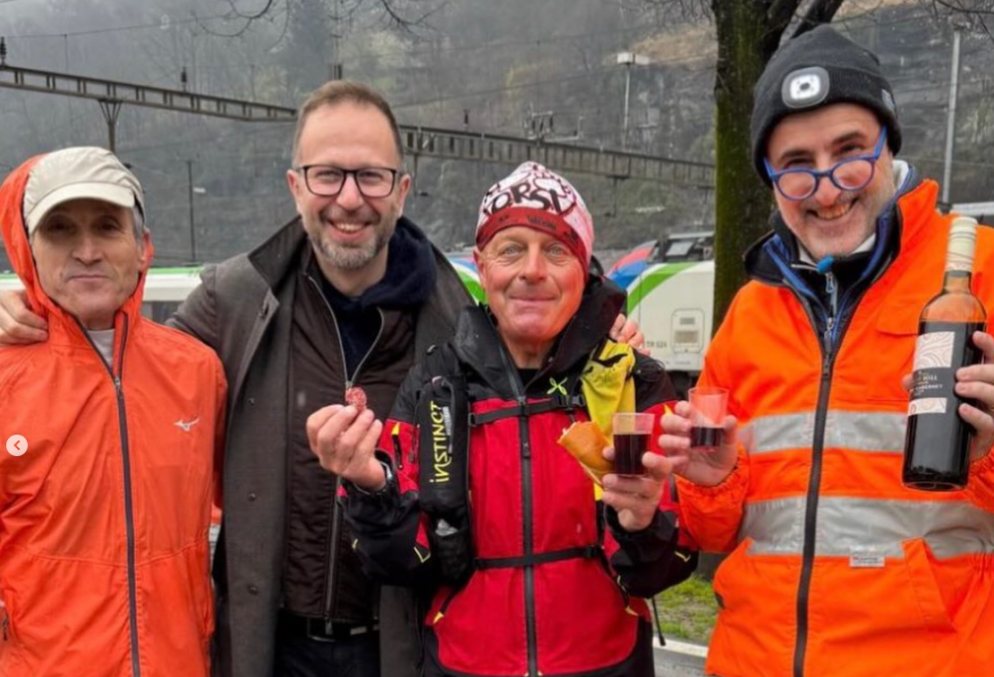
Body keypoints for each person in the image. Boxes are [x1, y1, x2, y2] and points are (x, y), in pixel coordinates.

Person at [0, 81, 644, 677]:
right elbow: (119, 360)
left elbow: (546, 356)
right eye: (327, 174)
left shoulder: (461, 321)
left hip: (403, 642)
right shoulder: (232, 303)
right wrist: (25, 306)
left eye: (370, 176)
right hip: (267, 645)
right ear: (295, 186)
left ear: (402, 188)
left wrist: (605, 334)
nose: (349, 198)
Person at [660, 25, 994, 677]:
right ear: (769, 177)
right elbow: (714, 534)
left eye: (849, 152)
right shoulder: (749, 313)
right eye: (796, 166)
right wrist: (712, 481)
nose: (828, 187)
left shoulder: (980, 276)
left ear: (888, 144)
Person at [308, 161, 698, 677]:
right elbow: (402, 563)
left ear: (584, 270)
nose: (532, 270)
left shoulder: (634, 380)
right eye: (510, 248)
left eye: (556, 251)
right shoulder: (433, 384)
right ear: (482, 265)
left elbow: (667, 567)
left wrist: (644, 522)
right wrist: (368, 484)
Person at [0, 147, 227, 677]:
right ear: (27, 251)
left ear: (143, 247)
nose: (86, 251)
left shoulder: (197, 372)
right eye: (59, 230)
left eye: (107, 226)